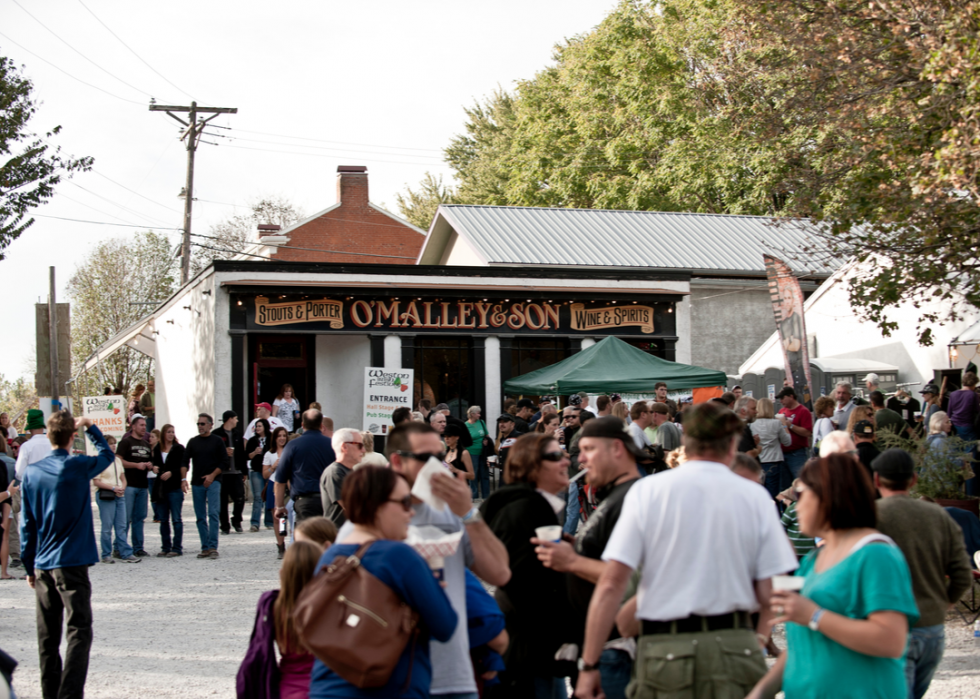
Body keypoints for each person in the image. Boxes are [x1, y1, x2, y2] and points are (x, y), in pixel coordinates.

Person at [577, 402, 798, 699]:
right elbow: (773, 587)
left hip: (665, 648)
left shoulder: (649, 490)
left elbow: (611, 584)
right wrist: (758, 638)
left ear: (686, 440)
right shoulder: (754, 496)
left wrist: (589, 665)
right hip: (735, 646)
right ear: (732, 443)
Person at [746, 455, 920, 699]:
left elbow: (891, 640)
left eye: (799, 494)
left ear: (828, 495)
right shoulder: (814, 559)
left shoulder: (876, 555)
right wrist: (761, 692)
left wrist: (814, 615)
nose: (795, 506)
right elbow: (802, 647)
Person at [375, 422, 511, 699]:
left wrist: (468, 514)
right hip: (396, 677)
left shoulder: (447, 511)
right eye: (428, 459)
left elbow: (499, 573)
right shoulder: (373, 510)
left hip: (454, 677)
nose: (438, 467)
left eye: (440, 457)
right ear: (398, 461)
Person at [309, 466, 459, 699]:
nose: (411, 512)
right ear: (378, 505)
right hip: (388, 688)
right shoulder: (399, 555)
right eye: (404, 502)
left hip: (328, 687)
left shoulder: (330, 556)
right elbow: (445, 626)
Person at [532, 417, 644, 699]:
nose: (580, 459)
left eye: (588, 449)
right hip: (601, 649)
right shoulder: (615, 495)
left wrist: (572, 561)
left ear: (617, 449)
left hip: (617, 652)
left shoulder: (634, 498)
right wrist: (577, 548)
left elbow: (631, 579)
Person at [20, 411, 115, 699]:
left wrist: (28, 566)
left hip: (44, 564)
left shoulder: (32, 474)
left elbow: (28, 526)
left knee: (47, 637)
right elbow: (107, 455)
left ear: (48, 436)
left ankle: (50, 693)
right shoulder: (77, 466)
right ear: (71, 436)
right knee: (79, 631)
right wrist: (90, 427)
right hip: (72, 562)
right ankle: (69, 694)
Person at [872, 449, 973, 699]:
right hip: (932, 629)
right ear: (914, 479)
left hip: (890, 626)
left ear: (876, 480)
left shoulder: (870, 516)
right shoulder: (938, 515)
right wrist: (944, 603)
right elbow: (963, 572)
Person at [480, 432, 574, 698]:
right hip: (529, 650)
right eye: (556, 456)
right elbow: (517, 582)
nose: (566, 461)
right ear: (531, 465)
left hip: (536, 648)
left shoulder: (532, 506)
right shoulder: (525, 509)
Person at [272, 540, 321, 699]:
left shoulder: (276, 607)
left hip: (287, 686)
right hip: (321, 685)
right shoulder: (326, 608)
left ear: (283, 572)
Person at [274, 410, 336, 524]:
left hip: (305, 502)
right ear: (321, 425)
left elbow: (280, 480)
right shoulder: (333, 445)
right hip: (329, 501)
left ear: (302, 425)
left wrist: (280, 506)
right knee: (326, 538)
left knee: (305, 539)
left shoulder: (292, 445)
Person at [183, 414, 227, 559]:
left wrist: (212, 476)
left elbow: (224, 462)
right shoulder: (193, 442)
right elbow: (185, 462)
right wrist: (183, 479)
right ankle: (205, 547)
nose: (200, 426)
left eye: (203, 424)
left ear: (210, 425)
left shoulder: (217, 441)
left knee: (213, 513)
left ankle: (213, 546)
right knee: (200, 516)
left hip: (213, 481)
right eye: (198, 424)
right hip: (197, 483)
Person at [116, 414, 153, 557]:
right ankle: (119, 547)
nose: (144, 428)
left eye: (145, 425)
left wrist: (150, 466)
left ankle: (138, 547)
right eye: (141, 425)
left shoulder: (146, 445)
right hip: (129, 485)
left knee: (139, 518)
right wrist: (135, 465)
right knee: (125, 518)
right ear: (133, 426)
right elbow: (118, 461)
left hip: (143, 486)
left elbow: (150, 462)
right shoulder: (126, 442)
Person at [318, 427, 364, 527]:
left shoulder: (350, 472)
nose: (363, 450)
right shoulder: (335, 472)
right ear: (345, 447)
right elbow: (353, 507)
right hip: (338, 536)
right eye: (359, 445)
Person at [152, 424, 186, 557]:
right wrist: (154, 468)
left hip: (174, 487)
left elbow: (183, 466)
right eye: (168, 432)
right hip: (162, 487)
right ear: (163, 434)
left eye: (173, 432)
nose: (171, 434)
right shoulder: (157, 448)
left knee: (176, 519)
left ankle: (177, 547)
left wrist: (172, 473)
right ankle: (165, 546)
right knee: (163, 519)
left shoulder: (179, 449)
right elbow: (155, 463)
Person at [751, 397, 792, 499]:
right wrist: (784, 425)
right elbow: (787, 442)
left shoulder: (751, 425)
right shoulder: (776, 424)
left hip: (758, 461)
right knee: (772, 493)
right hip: (774, 460)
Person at [216, 410, 248, 535]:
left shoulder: (237, 434)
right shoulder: (216, 434)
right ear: (229, 419)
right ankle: (224, 525)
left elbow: (241, 453)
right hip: (222, 472)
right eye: (236, 418)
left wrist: (244, 471)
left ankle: (236, 520)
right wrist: (224, 452)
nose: (237, 421)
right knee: (223, 501)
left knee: (240, 497)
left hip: (236, 472)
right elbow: (213, 452)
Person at [776, 387, 813, 482]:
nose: (781, 401)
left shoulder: (803, 411)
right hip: (782, 453)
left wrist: (791, 425)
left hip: (797, 454)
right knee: (784, 484)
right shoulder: (781, 411)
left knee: (800, 482)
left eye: (782, 398)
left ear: (791, 396)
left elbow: (807, 432)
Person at [264, 427, 290, 559]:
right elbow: (264, 474)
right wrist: (273, 467)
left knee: (285, 515)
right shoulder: (269, 454)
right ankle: (281, 545)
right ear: (274, 438)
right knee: (277, 517)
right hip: (274, 484)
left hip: (288, 484)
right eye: (279, 436)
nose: (282, 438)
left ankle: (288, 538)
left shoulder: (290, 451)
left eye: (284, 435)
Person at [245, 418, 273, 533]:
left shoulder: (272, 439)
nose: (257, 428)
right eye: (256, 426)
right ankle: (255, 523)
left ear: (265, 427)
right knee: (258, 496)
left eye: (259, 426)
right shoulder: (252, 440)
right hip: (256, 470)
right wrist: (254, 452)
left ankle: (269, 521)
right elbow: (247, 456)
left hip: (269, 470)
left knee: (269, 495)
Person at [14, 408, 51, 481]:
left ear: (30, 428)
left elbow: (19, 473)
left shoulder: (26, 446)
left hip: (32, 487)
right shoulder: (53, 444)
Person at [465, 405, 492, 499]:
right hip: (472, 453)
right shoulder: (466, 425)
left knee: (484, 474)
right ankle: (474, 496)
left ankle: (486, 496)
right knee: (474, 475)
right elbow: (464, 441)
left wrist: (487, 441)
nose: (480, 415)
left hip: (483, 452)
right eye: (478, 413)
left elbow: (487, 435)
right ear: (472, 414)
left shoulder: (481, 422)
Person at [496, 414, 523, 484]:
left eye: (505, 422)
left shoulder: (519, 436)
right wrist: (496, 464)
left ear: (512, 424)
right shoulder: (502, 440)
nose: (501, 424)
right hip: (503, 479)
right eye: (500, 422)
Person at [735, 395, 762, 459]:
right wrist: (758, 450)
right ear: (743, 411)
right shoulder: (741, 427)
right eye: (753, 408)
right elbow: (747, 455)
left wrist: (753, 443)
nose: (756, 412)